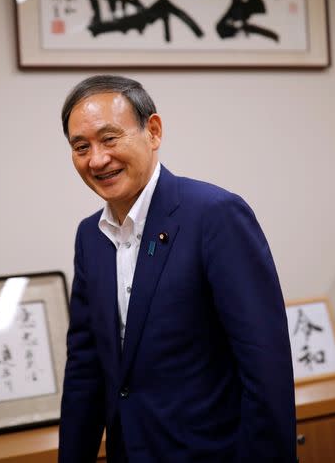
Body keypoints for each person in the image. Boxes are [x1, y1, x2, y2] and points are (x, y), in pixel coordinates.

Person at [57, 75, 296, 462]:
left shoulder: (214, 215)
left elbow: (264, 363)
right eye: (81, 146)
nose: (97, 159)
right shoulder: (90, 236)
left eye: (110, 138)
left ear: (153, 131)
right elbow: (85, 367)